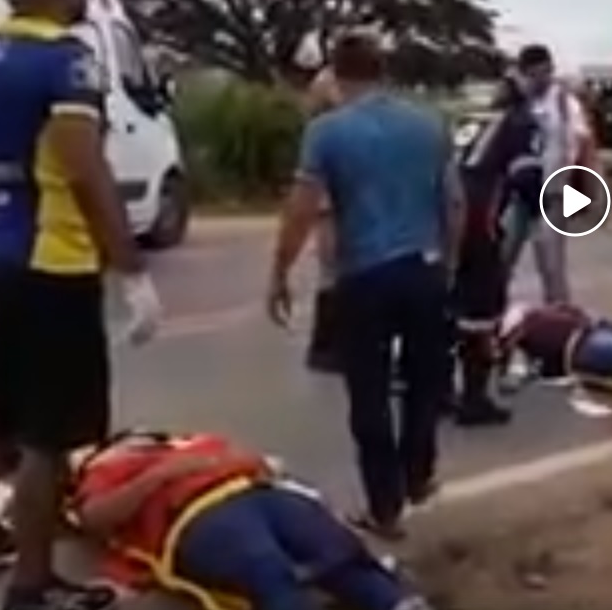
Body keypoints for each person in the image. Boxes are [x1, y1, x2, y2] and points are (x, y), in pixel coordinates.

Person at [0, 0, 163, 610]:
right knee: (46, 435)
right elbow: (85, 167)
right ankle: (31, 584)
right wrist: (132, 269)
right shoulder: (65, 60)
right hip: (49, 263)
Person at [266, 32, 464, 539]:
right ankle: (418, 473)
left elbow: (303, 208)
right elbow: (454, 203)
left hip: (364, 276)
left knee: (369, 392)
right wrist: (449, 262)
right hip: (424, 268)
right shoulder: (429, 124)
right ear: (384, 71)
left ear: (336, 74)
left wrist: (280, 272)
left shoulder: (327, 132)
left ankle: (385, 506)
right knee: (424, 381)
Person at [67, 430, 430, 610]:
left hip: (255, 493)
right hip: (197, 514)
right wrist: (158, 476)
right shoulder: (105, 469)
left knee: (337, 550)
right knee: (267, 569)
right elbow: (95, 517)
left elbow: (264, 464)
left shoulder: (194, 442)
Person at [448, 90, 541, 426]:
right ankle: (474, 399)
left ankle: (440, 390)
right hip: (479, 214)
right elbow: (526, 175)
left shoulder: (473, 118)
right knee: (482, 307)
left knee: (450, 302)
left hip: (444, 204)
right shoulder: (521, 124)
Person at [498, 44, 597, 304]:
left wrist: (590, 188)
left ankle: (558, 318)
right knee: (501, 258)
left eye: (542, 73)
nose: (538, 79)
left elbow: (584, 142)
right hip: (519, 191)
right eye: (531, 74)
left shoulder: (564, 102)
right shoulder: (518, 102)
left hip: (552, 191)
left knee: (551, 265)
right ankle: (493, 316)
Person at [301, 64, 345, 373]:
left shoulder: (322, 131)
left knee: (332, 274)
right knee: (334, 274)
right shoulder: (328, 131)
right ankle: (326, 348)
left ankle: (329, 346)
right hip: (331, 206)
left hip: (329, 205)